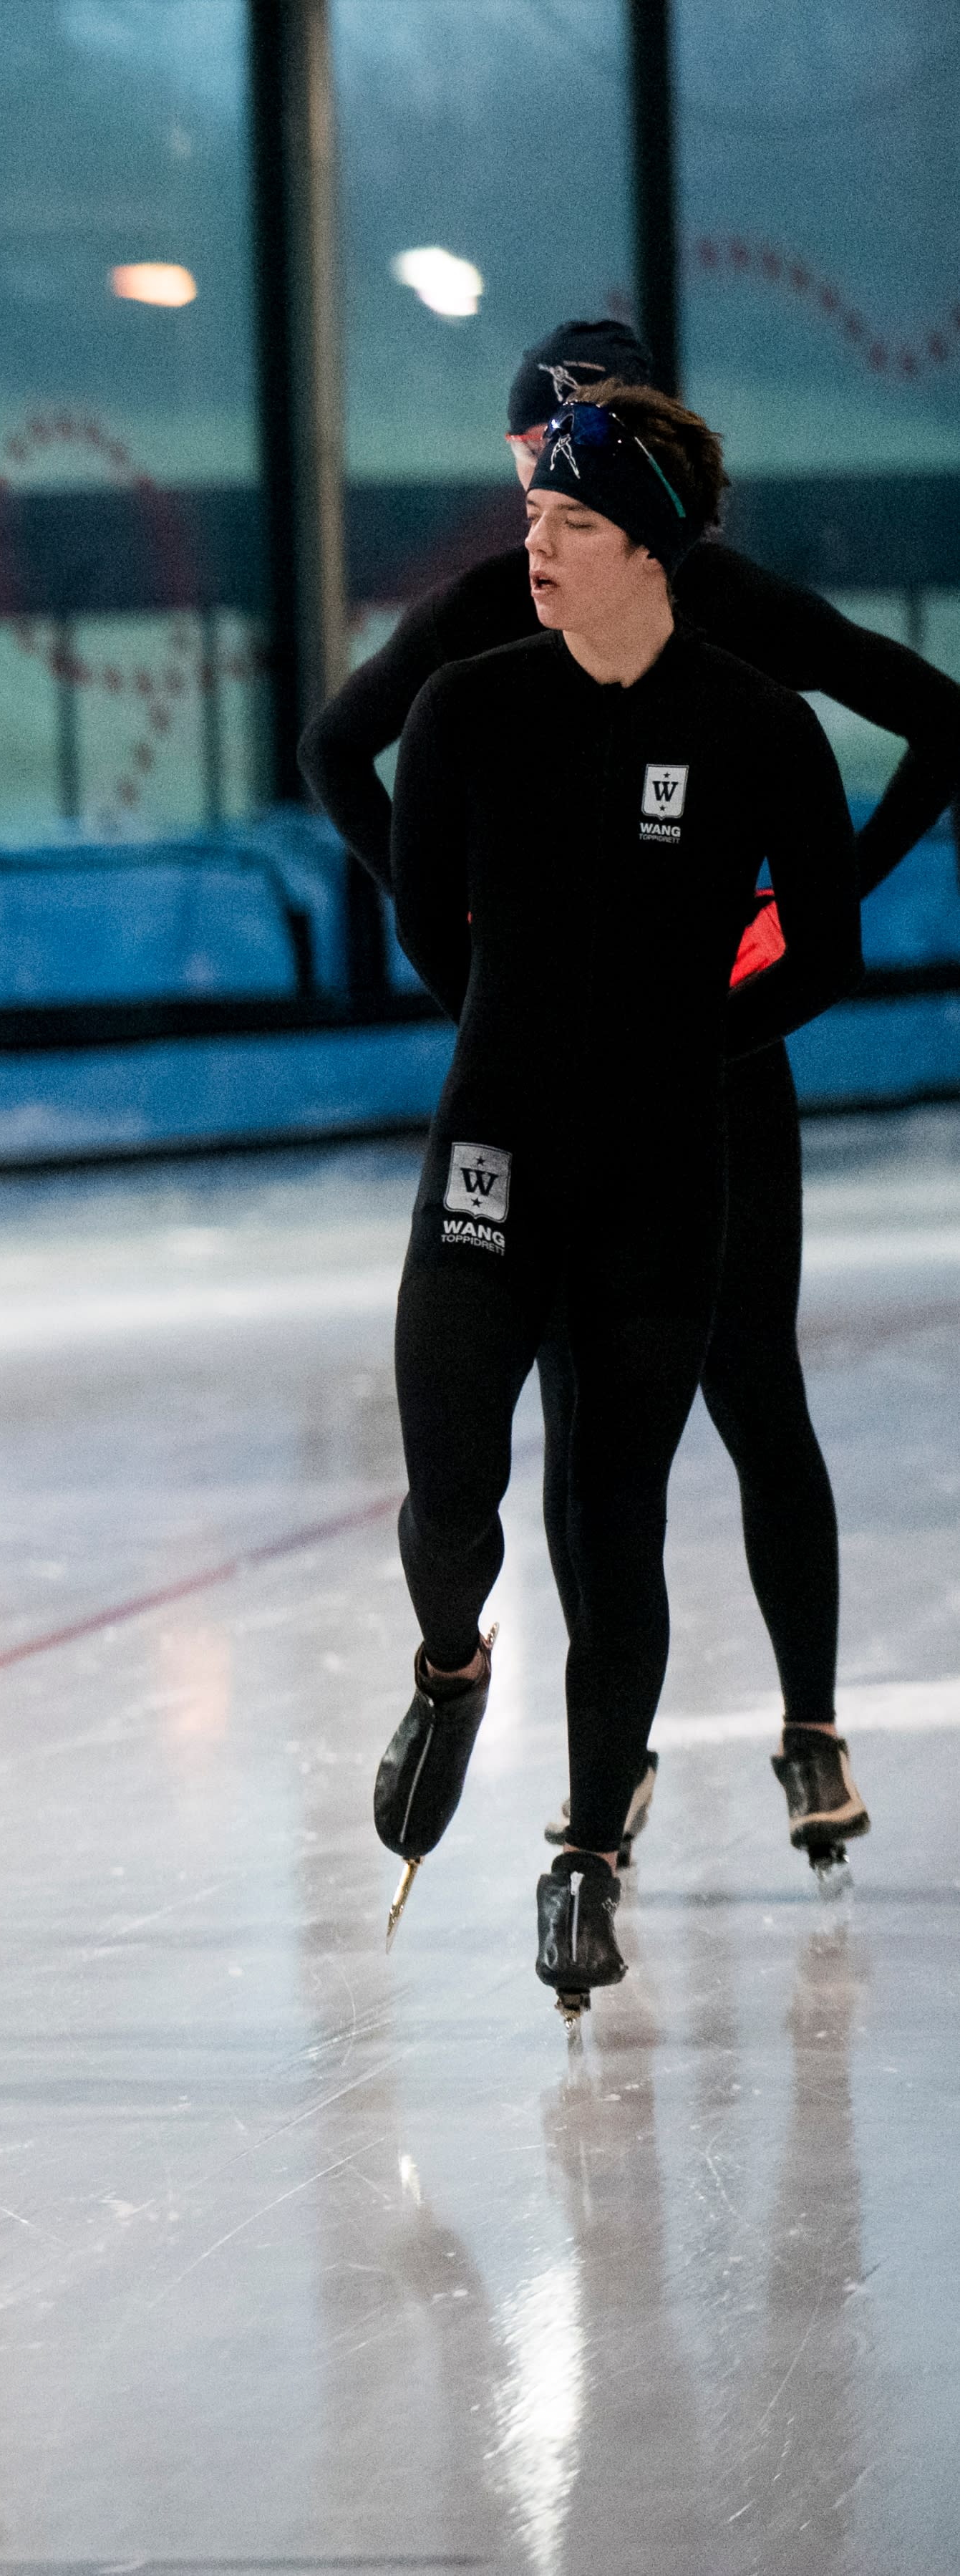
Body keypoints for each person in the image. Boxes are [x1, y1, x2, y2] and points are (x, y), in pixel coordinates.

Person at [308, 319, 959, 1885]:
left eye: (575, 471)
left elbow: (935, 720)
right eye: (536, 467)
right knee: (559, 1437)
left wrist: (787, 919)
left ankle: (805, 1720)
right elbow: (338, 754)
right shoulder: (492, 617)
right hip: (534, 1088)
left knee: (746, 1389)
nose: (545, 503)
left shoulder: (719, 618)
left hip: (703, 1068)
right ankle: (610, 1748)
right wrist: (490, 971)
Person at [366, 387, 858, 2016]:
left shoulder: (758, 727)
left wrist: (677, 1047)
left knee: (613, 1513)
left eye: (571, 524)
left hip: (662, 1174)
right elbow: (424, 926)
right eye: (533, 518)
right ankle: (451, 1662)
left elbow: (828, 950)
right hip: (493, 1153)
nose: (538, 546)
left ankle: (583, 1849)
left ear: (651, 547)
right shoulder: (467, 709)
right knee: (450, 1478)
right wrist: (525, 1041)